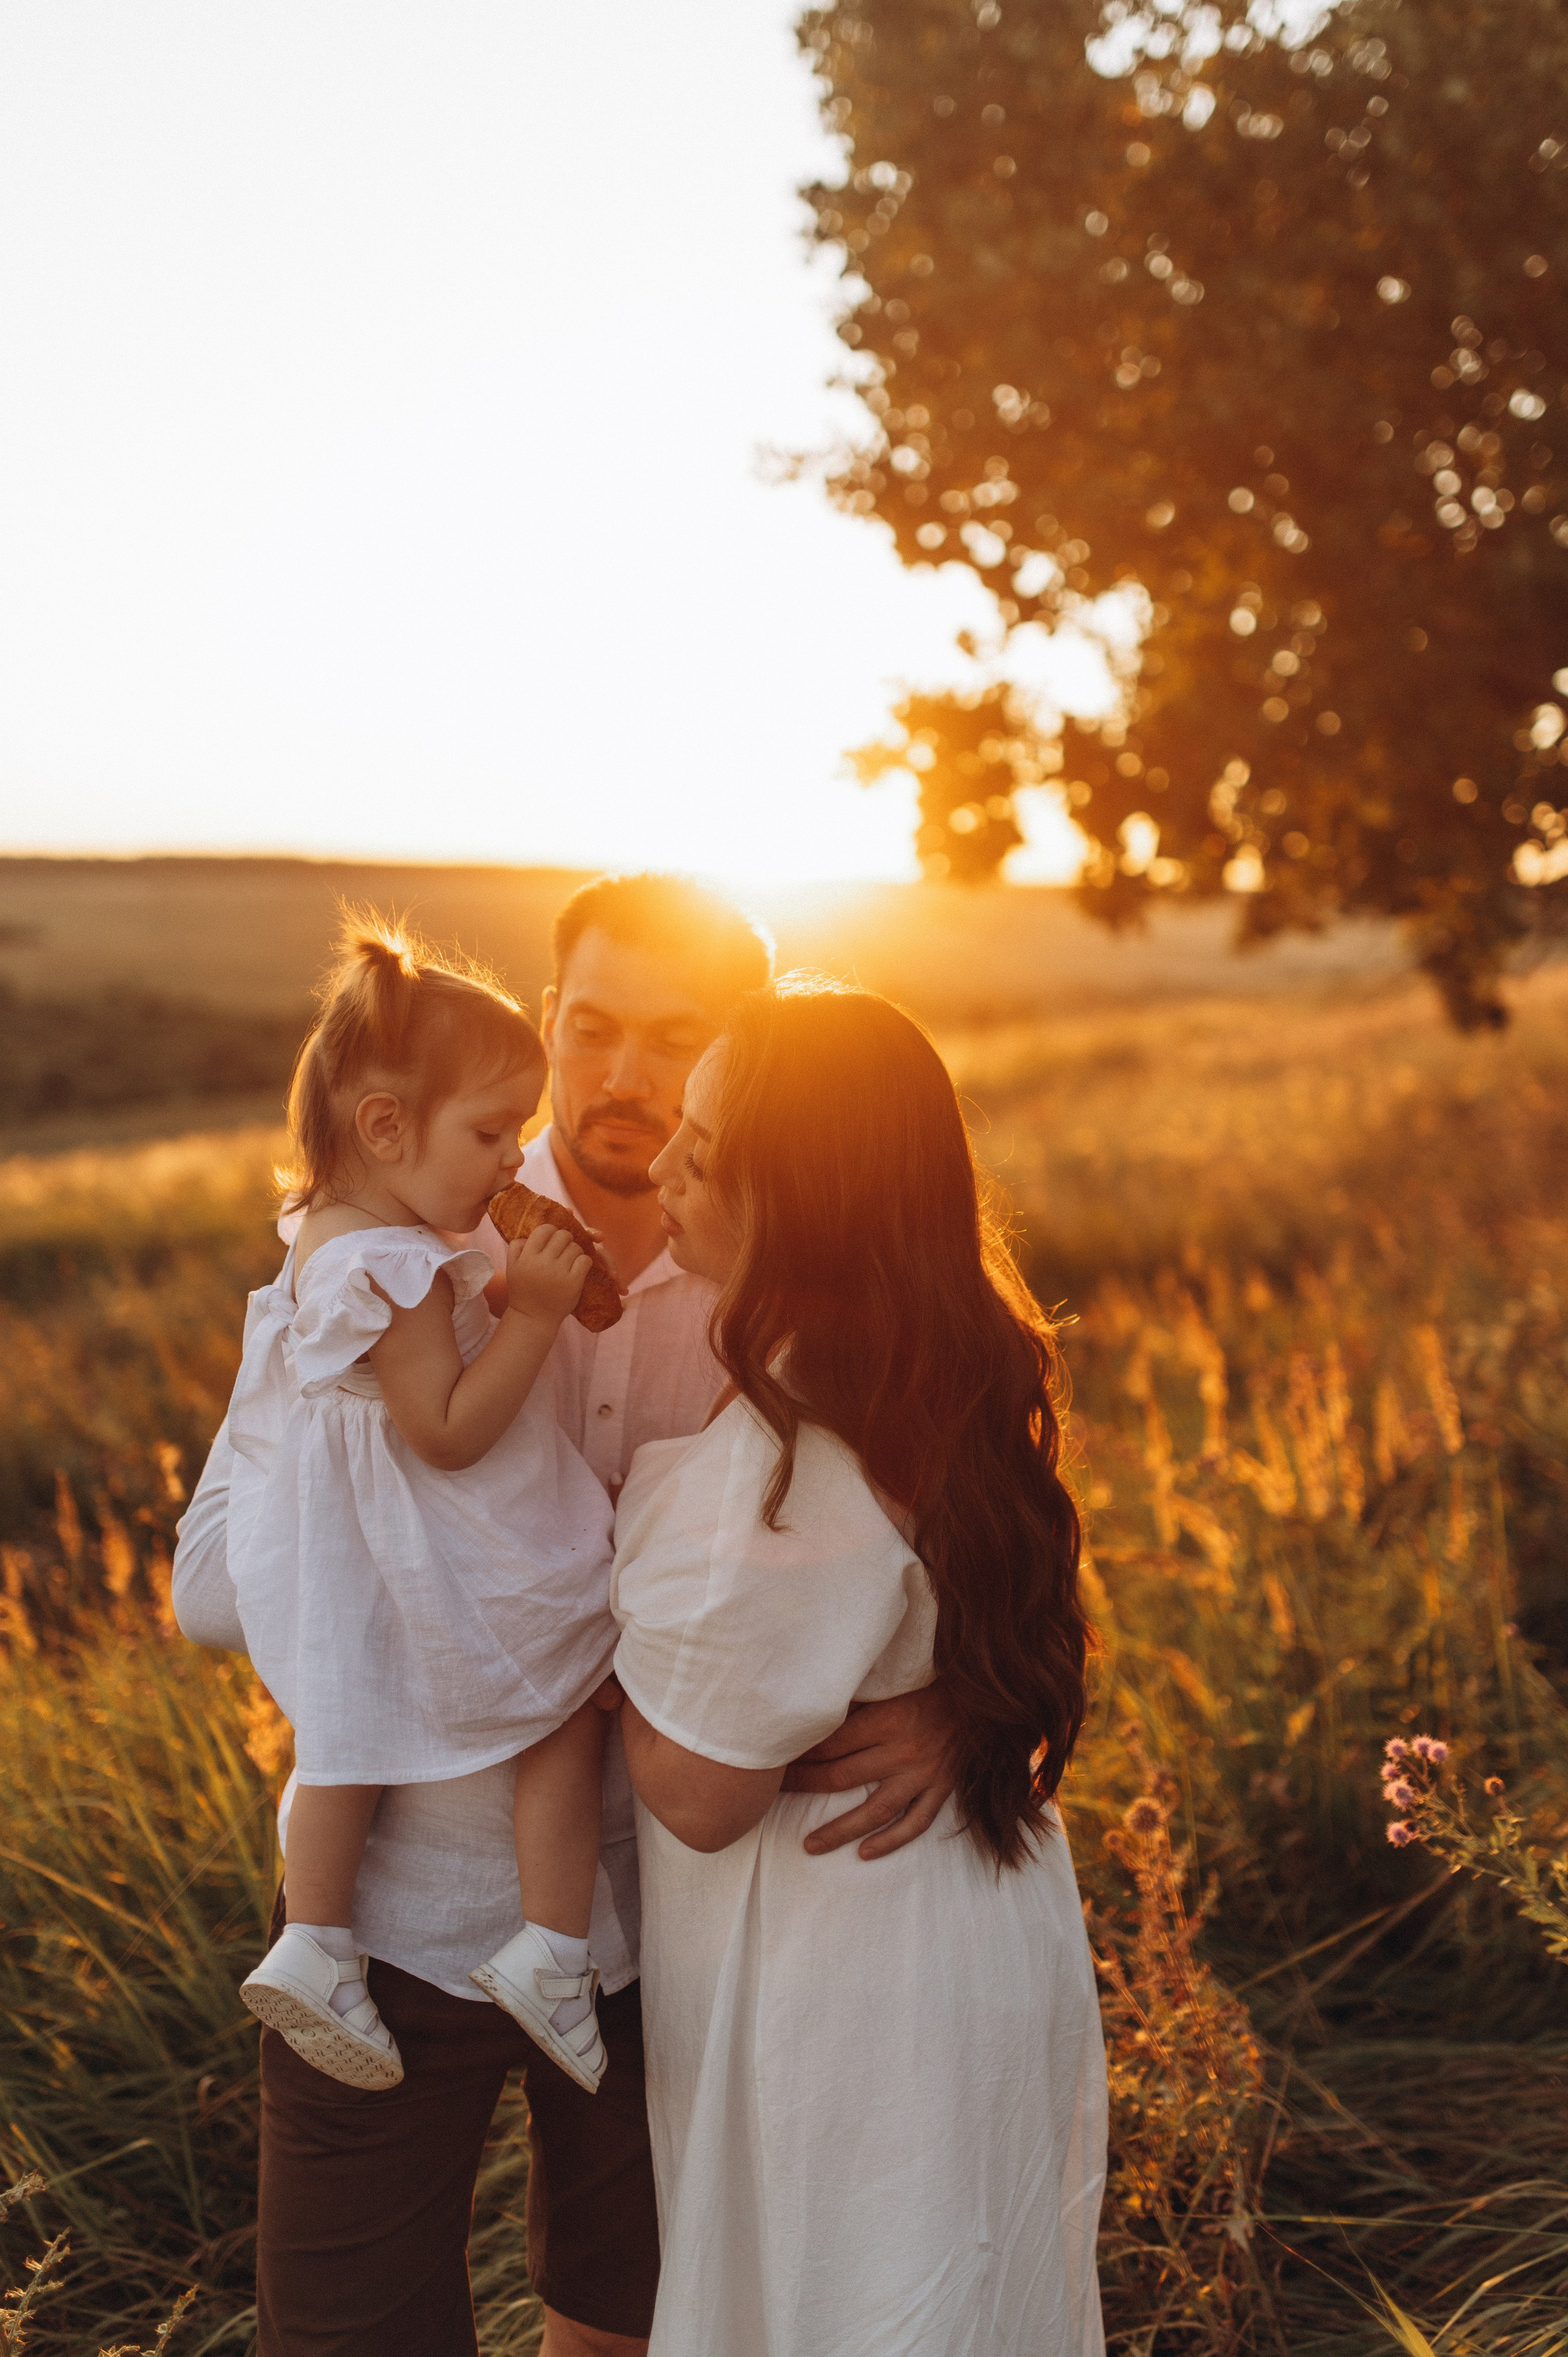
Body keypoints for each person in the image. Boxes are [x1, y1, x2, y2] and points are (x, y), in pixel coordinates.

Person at [172, 872, 959, 2357]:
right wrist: (452, 1602)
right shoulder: (387, 1235)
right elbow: (209, 1587)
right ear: (545, 1020)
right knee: (343, 2337)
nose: (622, 1076)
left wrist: (968, 1700)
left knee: (628, 2326)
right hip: (389, 1914)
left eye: (675, 1038)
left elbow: (958, 1529)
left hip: (679, 1926)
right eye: (591, 1026)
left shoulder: (779, 1278)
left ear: (735, 1058)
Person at [611, 977, 1108, 2355]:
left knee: (856, 2307)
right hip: (966, 1925)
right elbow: (998, 1612)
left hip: (850, 1979)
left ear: (798, 1198)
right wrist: (965, 1705)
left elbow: (705, 1789)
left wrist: (596, 1675)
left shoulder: (794, 1452)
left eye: (702, 1154)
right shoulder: (933, 1370)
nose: (661, 1168)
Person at [220, 918, 622, 2097]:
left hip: (346, 1552)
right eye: (492, 1134)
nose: (515, 1163)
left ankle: (316, 1939)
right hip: (420, 1534)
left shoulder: (332, 1236)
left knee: (349, 1728)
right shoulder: (395, 1264)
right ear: (387, 1126)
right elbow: (444, 1431)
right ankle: (554, 1948)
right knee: (568, 1681)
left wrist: (497, 1289)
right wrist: (535, 1319)